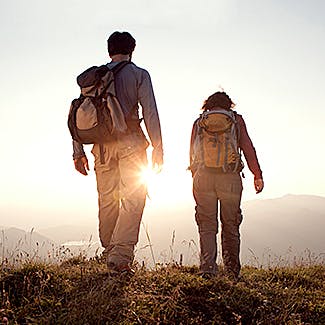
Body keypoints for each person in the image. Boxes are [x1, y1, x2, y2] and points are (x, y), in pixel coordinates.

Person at [72, 31, 163, 274]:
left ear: (109, 51)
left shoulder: (95, 77)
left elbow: (79, 113)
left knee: (107, 198)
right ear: (132, 51)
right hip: (130, 142)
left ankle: (108, 249)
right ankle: (120, 256)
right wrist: (158, 147)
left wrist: (77, 152)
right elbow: (150, 112)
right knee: (134, 197)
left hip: (100, 148)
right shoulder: (139, 75)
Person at [189, 91, 263, 280]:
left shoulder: (199, 122)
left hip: (203, 177)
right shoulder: (235, 120)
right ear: (229, 104)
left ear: (208, 105)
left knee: (206, 224)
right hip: (229, 178)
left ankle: (208, 269)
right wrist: (257, 174)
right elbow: (247, 146)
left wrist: (195, 176)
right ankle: (231, 271)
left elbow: (192, 152)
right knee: (230, 224)